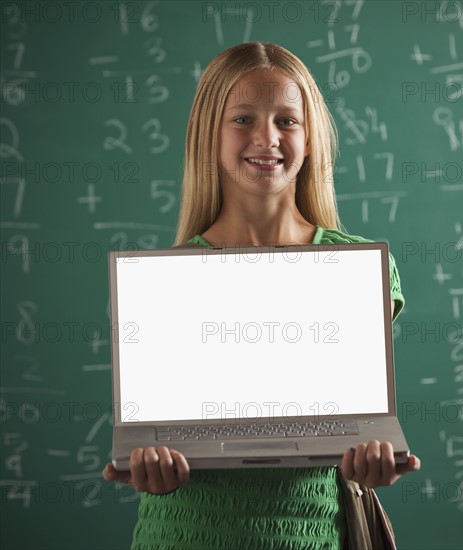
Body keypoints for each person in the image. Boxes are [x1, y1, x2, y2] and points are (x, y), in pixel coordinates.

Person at [103, 41, 420, 549]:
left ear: (311, 137)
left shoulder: (359, 268)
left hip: (309, 533)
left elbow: (360, 420)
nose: (266, 138)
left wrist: (373, 459)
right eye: (243, 119)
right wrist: (148, 464)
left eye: (287, 121)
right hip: (181, 534)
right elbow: (153, 431)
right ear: (208, 135)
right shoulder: (161, 284)